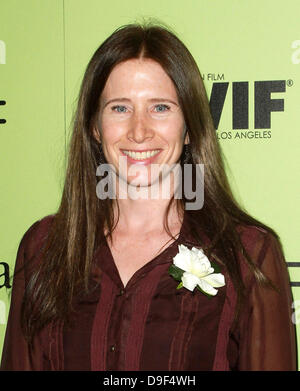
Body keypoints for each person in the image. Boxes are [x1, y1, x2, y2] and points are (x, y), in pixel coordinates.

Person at [0, 22, 297, 371]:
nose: (139, 131)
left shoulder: (249, 256)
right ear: (95, 127)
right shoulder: (42, 249)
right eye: (120, 108)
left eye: (160, 108)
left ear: (189, 128)